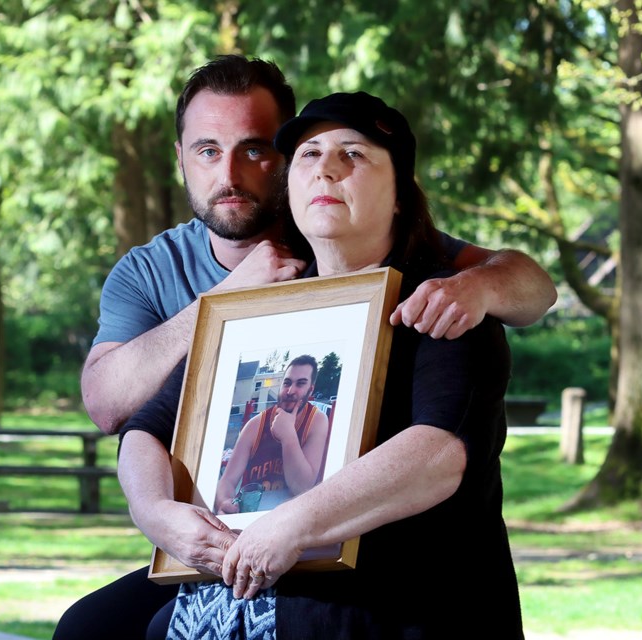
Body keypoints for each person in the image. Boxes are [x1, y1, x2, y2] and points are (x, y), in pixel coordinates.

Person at [55, 56, 547, 639]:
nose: (327, 172)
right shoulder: (256, 297)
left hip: (390, 584)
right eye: (309, 156)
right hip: (252, 563)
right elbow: (144, 423)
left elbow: (440, 454)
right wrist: (157, 514)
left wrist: (289, 526)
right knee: (94, 629)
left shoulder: (439, 297)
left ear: (398, 195)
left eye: (354, 155)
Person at [79, 54, 558, 438]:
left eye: (254, 150)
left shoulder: (339, 231)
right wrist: (226, 298)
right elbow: (106, 407)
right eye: (208, 151)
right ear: (181, 159)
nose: (228, 175)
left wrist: (479, 286)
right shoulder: (148, 271)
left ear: (287, 159)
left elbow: (534, 289)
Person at [214, 355, 329, 515]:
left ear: (311, 390)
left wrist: (288, 436)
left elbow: (302, 487)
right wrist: (225, 501)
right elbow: (227, 480)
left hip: (293, 519)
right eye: (287, 383)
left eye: (300, 384)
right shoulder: (256, 425)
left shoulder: (317, 421)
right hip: (252, 516)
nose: (290, 391)